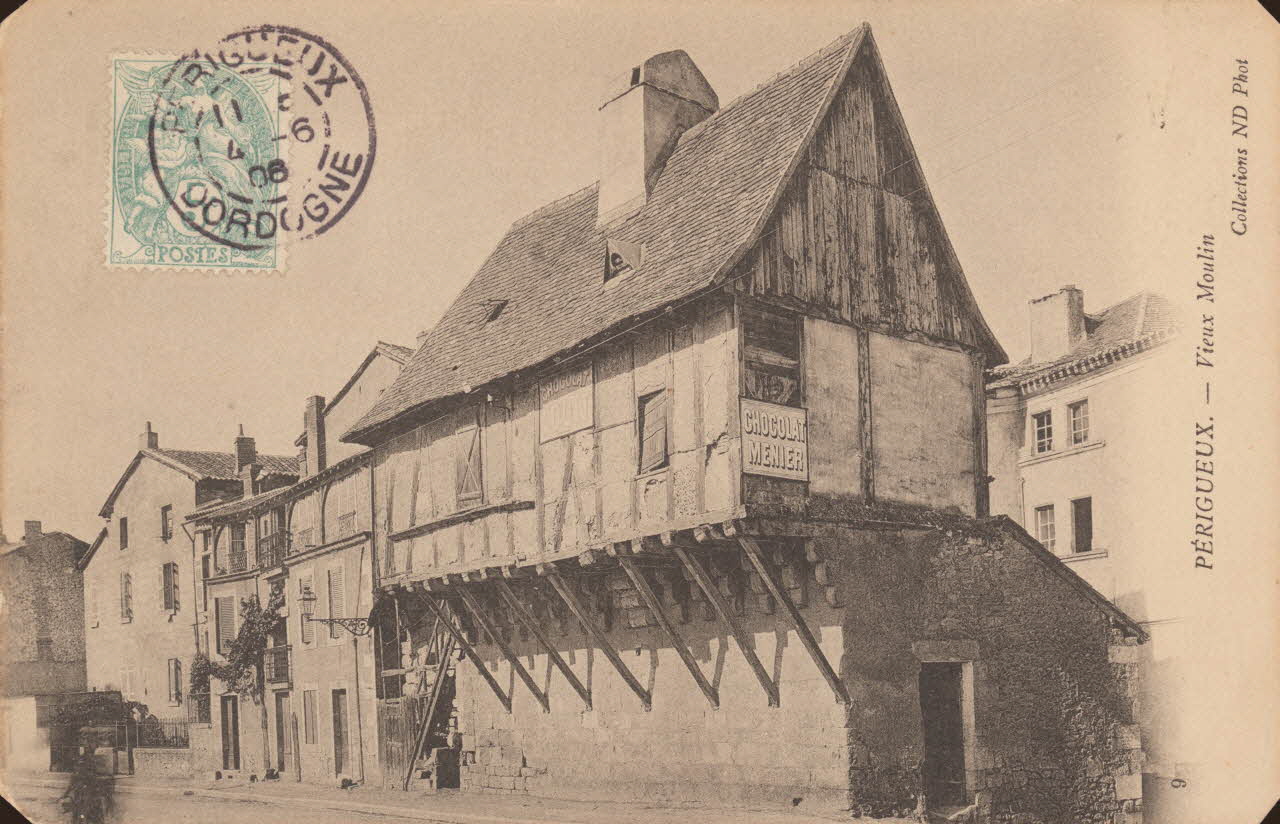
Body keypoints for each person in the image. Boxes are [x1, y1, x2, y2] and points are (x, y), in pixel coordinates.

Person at [60, 738, 114, 824]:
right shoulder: (83, 760)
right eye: (91, 745)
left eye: (94, 745)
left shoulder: (93, 760)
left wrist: (66, 793)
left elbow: (74, 779)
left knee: (88, 816)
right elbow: (74, 778)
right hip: (84, 794)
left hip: (90, 794)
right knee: (84, 816)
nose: (94, 747)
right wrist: (66, 793)